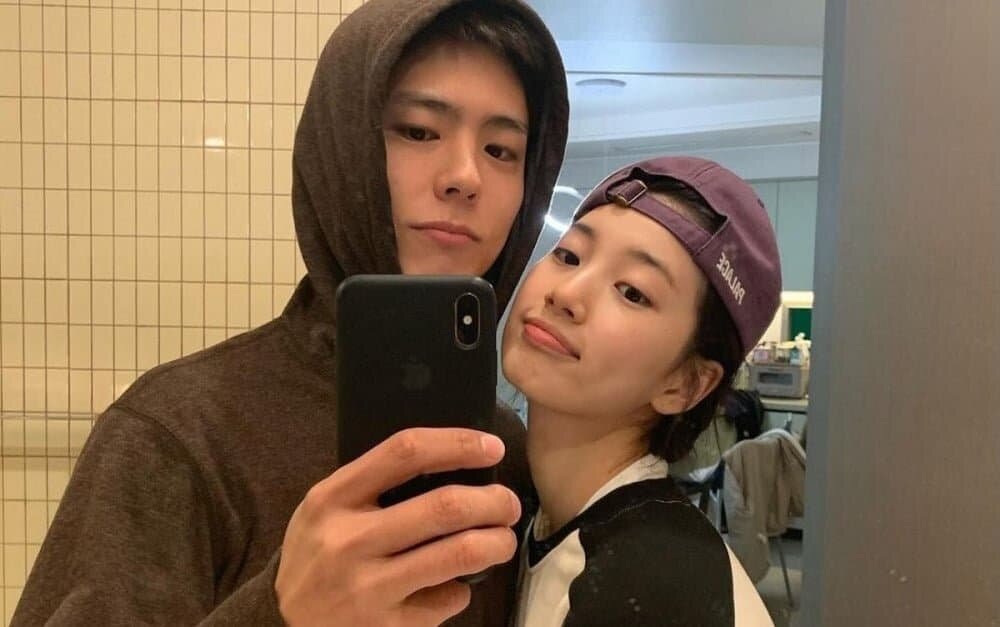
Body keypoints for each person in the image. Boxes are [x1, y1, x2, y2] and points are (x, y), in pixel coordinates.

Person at [11, 1, 568, 625]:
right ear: (341, 147)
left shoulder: (503, 447)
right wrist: (282, 613)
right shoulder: (179, 430)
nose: (465, 176)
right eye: (417, 131)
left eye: (501, 150)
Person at [501, 156, 780, 626]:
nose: (566, 294)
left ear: (685, 384)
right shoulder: (539, 516)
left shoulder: (652, 587)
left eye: (632, 292)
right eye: (569, 256)